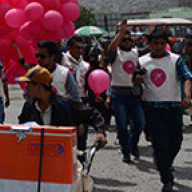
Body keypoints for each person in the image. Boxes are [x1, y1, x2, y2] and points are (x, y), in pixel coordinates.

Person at [133, 29, 192, 192]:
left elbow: (187, 77)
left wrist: (186, 97)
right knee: (160, 145)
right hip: (153, 110)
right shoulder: (142, 61)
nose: (158, 47)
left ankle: (164, 163)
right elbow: (135, 82)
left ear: (166, 44)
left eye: (161, 43)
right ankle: (167, 179)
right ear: (149, 44)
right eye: (155, 43)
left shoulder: (176, 60)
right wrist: (137, 80)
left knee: (176, 142)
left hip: (173, 109)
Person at [17, 66, 108, 148]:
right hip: (35, 157)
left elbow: (92, 114)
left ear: (39, 86)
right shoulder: (28, 107)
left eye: (28, 83)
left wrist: (101, 132)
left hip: (61, 157)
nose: (26, 87)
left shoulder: (64, 105)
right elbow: (20, 130)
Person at [105, 20, 146, 164]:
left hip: (134, 94)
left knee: (140, 123)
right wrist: (121, 32)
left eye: (130, 39)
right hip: (119, 95)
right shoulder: (116, 54)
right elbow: (110, 49)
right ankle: (126, 151)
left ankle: (133, 143)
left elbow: (151, 50)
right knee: (122, 125)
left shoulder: (136, 53)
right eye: (124, 39)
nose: (127, 41)